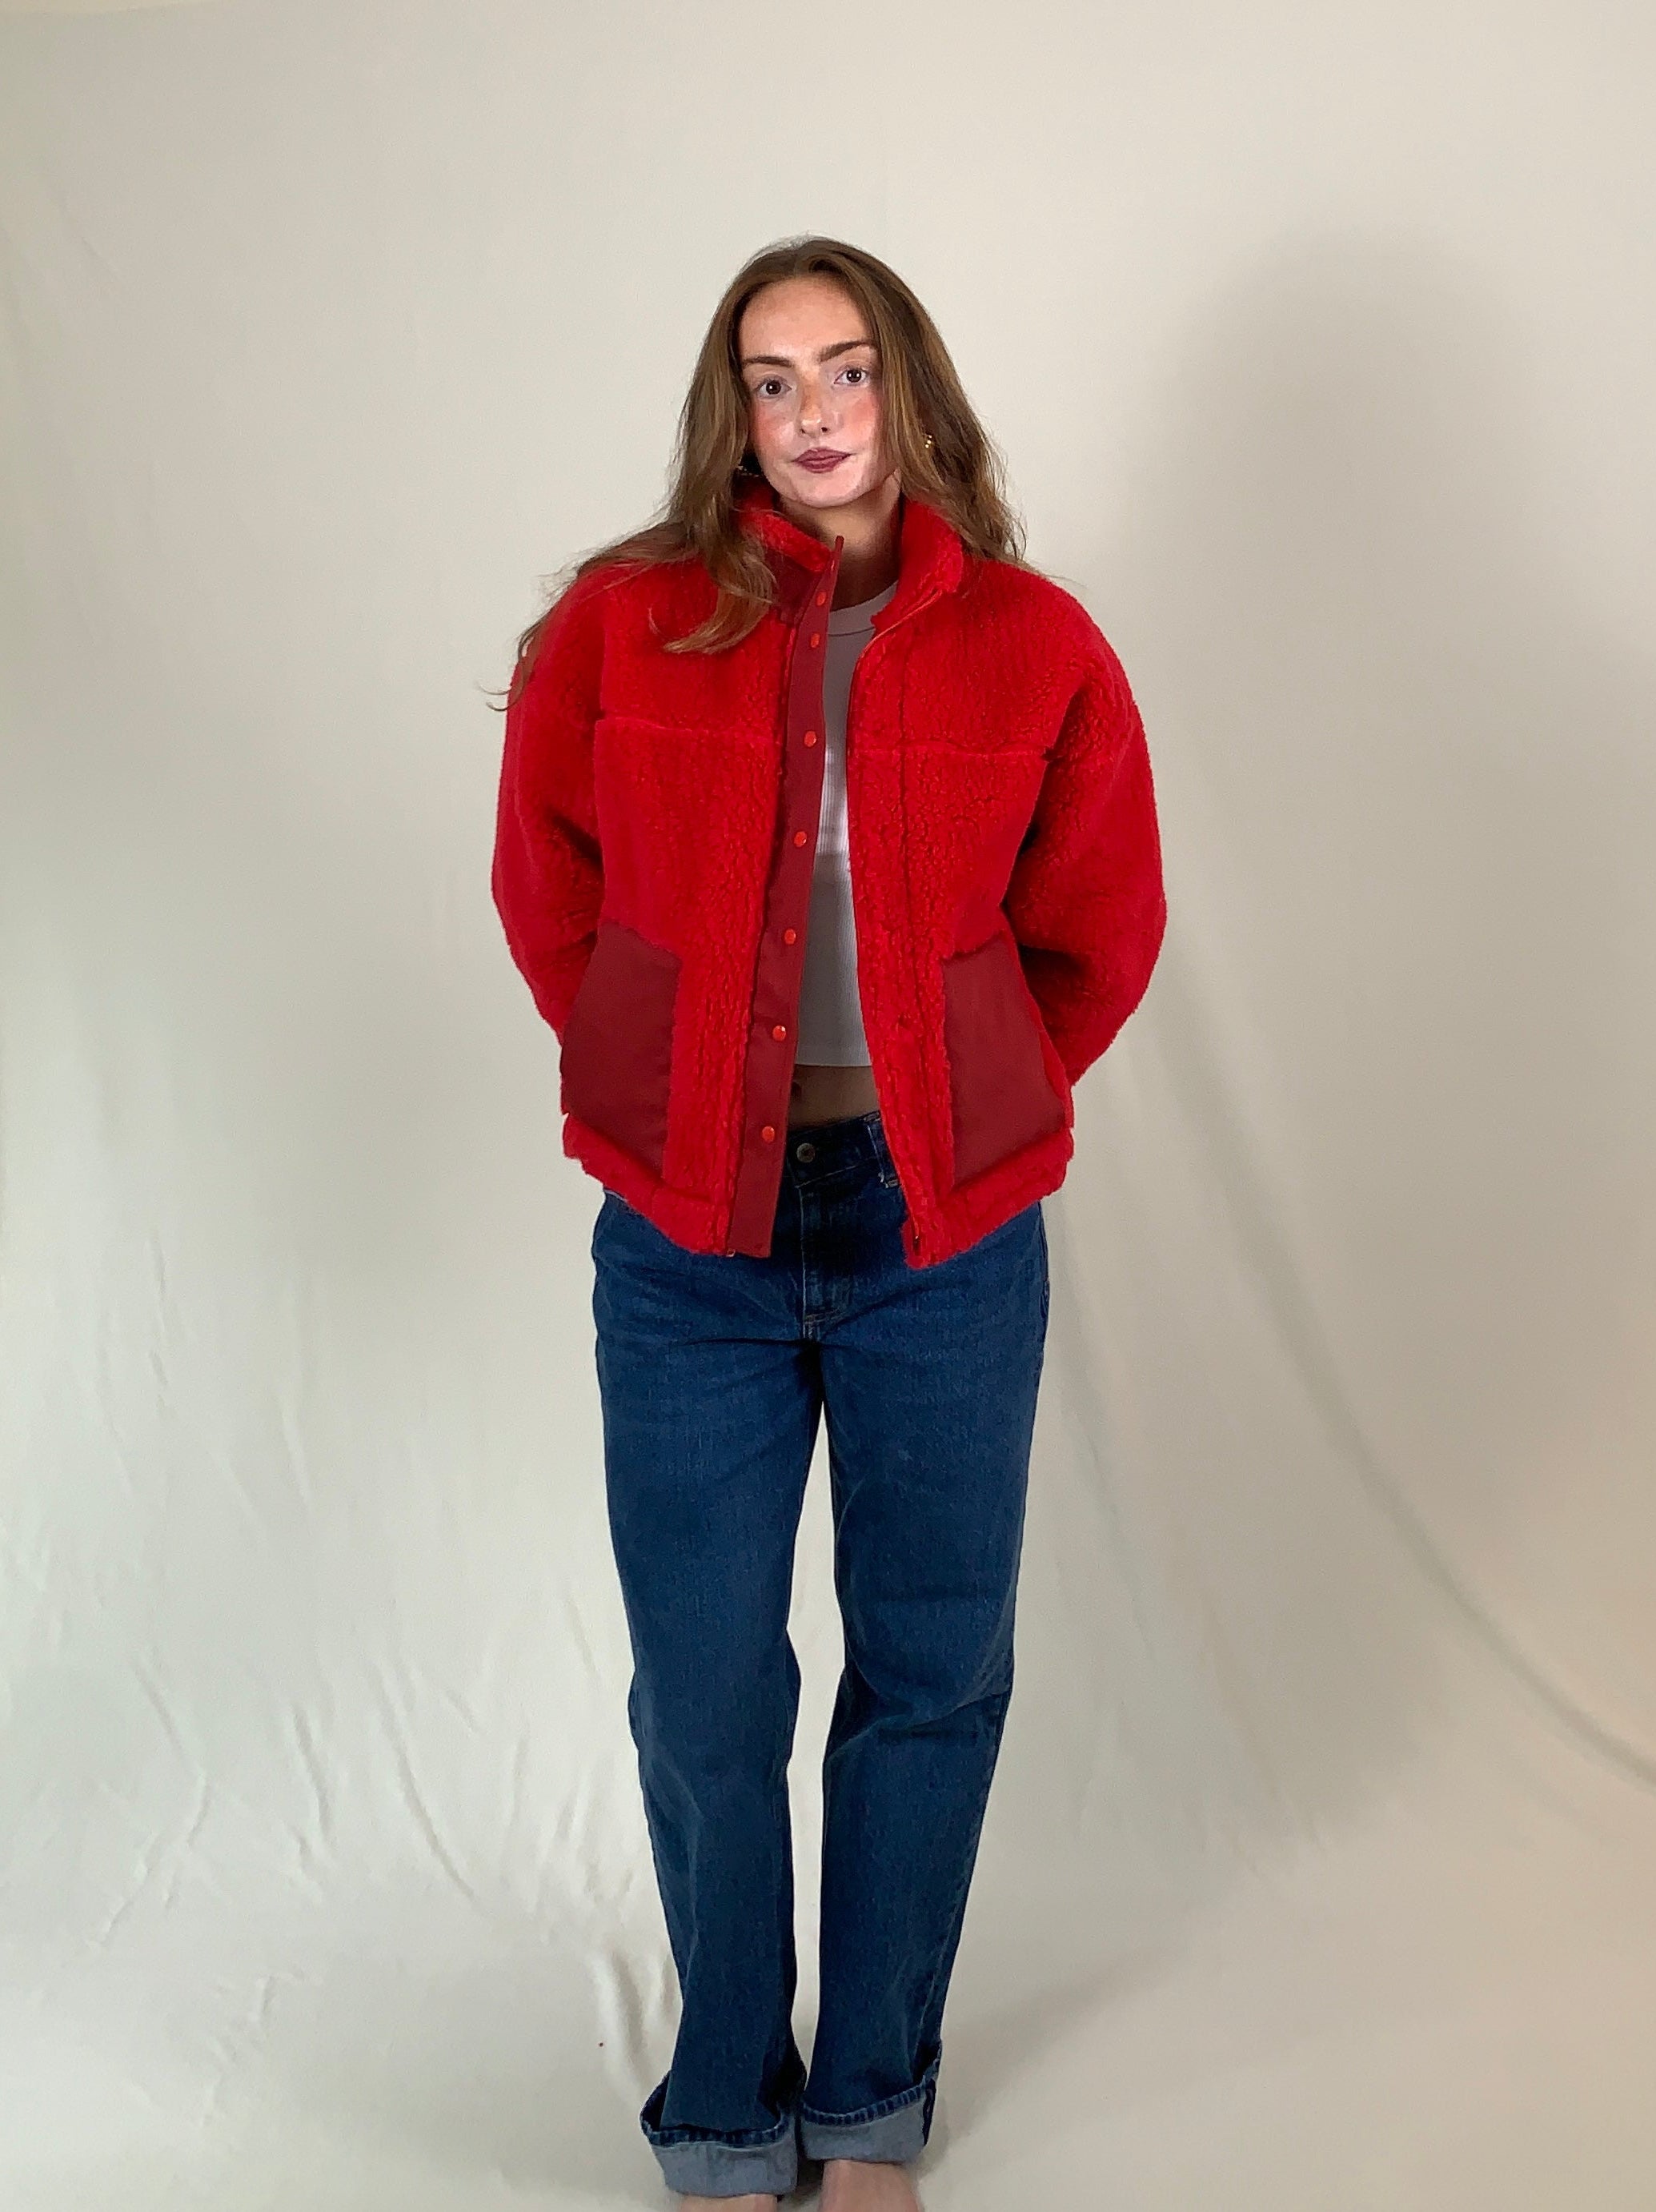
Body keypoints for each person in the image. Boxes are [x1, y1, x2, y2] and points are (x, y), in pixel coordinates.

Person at [491, 235, 1166, 2210]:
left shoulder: (1036, 645)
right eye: (772, 379)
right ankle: (726, 2103)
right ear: (735, 412)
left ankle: (870, 2104)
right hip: (685, 1239)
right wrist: (660, 1064)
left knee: (930, 1668)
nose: (812, 414)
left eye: (847, 369)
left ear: (910, 390)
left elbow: (1100, 926)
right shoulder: (623, 627)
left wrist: (965, 1090)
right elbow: (550, 884)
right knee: (706, 1687)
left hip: (937, 1239)